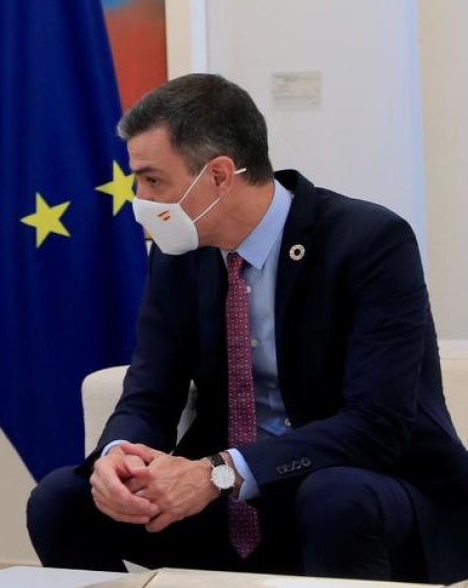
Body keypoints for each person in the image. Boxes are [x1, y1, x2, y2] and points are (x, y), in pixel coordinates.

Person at [26, 73, 468, 582]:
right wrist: (117, 458)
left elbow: (376, 425)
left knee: (335, 498)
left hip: (363, 488)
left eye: (153, 180)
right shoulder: (180, 254)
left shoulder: (370, 241)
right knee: (61, 499)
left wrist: (219, 473)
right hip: (231, 501)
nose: (140, 199)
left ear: (217, 175)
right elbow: (149, 394)